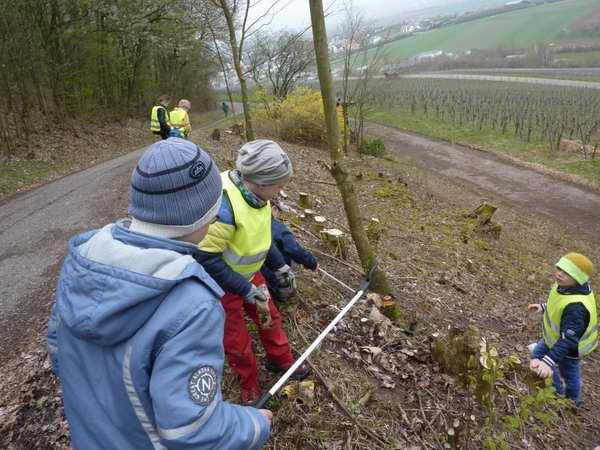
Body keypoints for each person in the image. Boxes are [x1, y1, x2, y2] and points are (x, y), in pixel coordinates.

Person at [47, 138, 272, 449]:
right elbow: (194, 433)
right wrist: (253, 424)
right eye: (214, 207)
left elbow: (61, 359)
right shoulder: (193, 306)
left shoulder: (82, 262)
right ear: (202, 216)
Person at [195, 139, 310, 404]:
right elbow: (205, 258)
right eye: (279, 185)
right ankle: (249, 386)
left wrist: (279, 264)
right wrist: (244, 289)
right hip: (222, 287)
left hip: (251, 276)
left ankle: (282, 361)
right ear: (260, 181)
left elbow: (261, 234)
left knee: (270, 318)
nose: (282, 191)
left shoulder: (259, 197)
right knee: (237, 340)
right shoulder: (224, 210)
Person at [528, 252, 597, 405]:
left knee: (569, 375)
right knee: (537, 357)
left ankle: (572, 401)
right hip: (552, 339)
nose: (559, 274)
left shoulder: (576, 307)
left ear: (578, 278)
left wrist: (549, 361)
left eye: (567, 272)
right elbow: (559, 305)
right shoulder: (564, 286)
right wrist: (543, 307)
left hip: (570, 348)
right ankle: (553, 389)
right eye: (559, 268)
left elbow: (568, 340)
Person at [261, 198, 318, 302]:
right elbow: (293, 249)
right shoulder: (278, 228)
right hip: (274, 274)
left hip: (255, 271)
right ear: (273, 209)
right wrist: (312, 263)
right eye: (278, 211)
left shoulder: (252, 223)